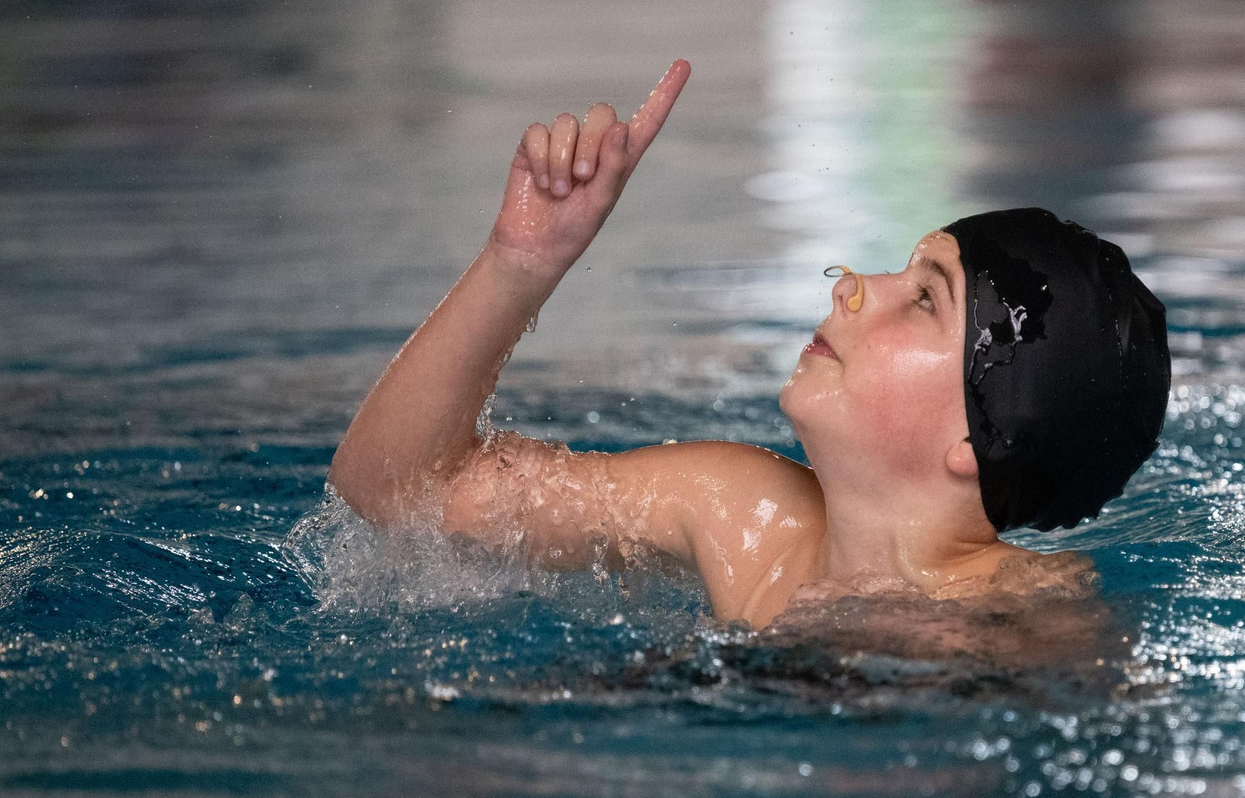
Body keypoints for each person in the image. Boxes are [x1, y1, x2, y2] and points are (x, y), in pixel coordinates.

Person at [328, 60, 1170, 629]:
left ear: (981, 435)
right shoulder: (740, 510)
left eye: (922, 299)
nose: (851, 282)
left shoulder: (1029, 622)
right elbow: (397, 494)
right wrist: (521, 265)